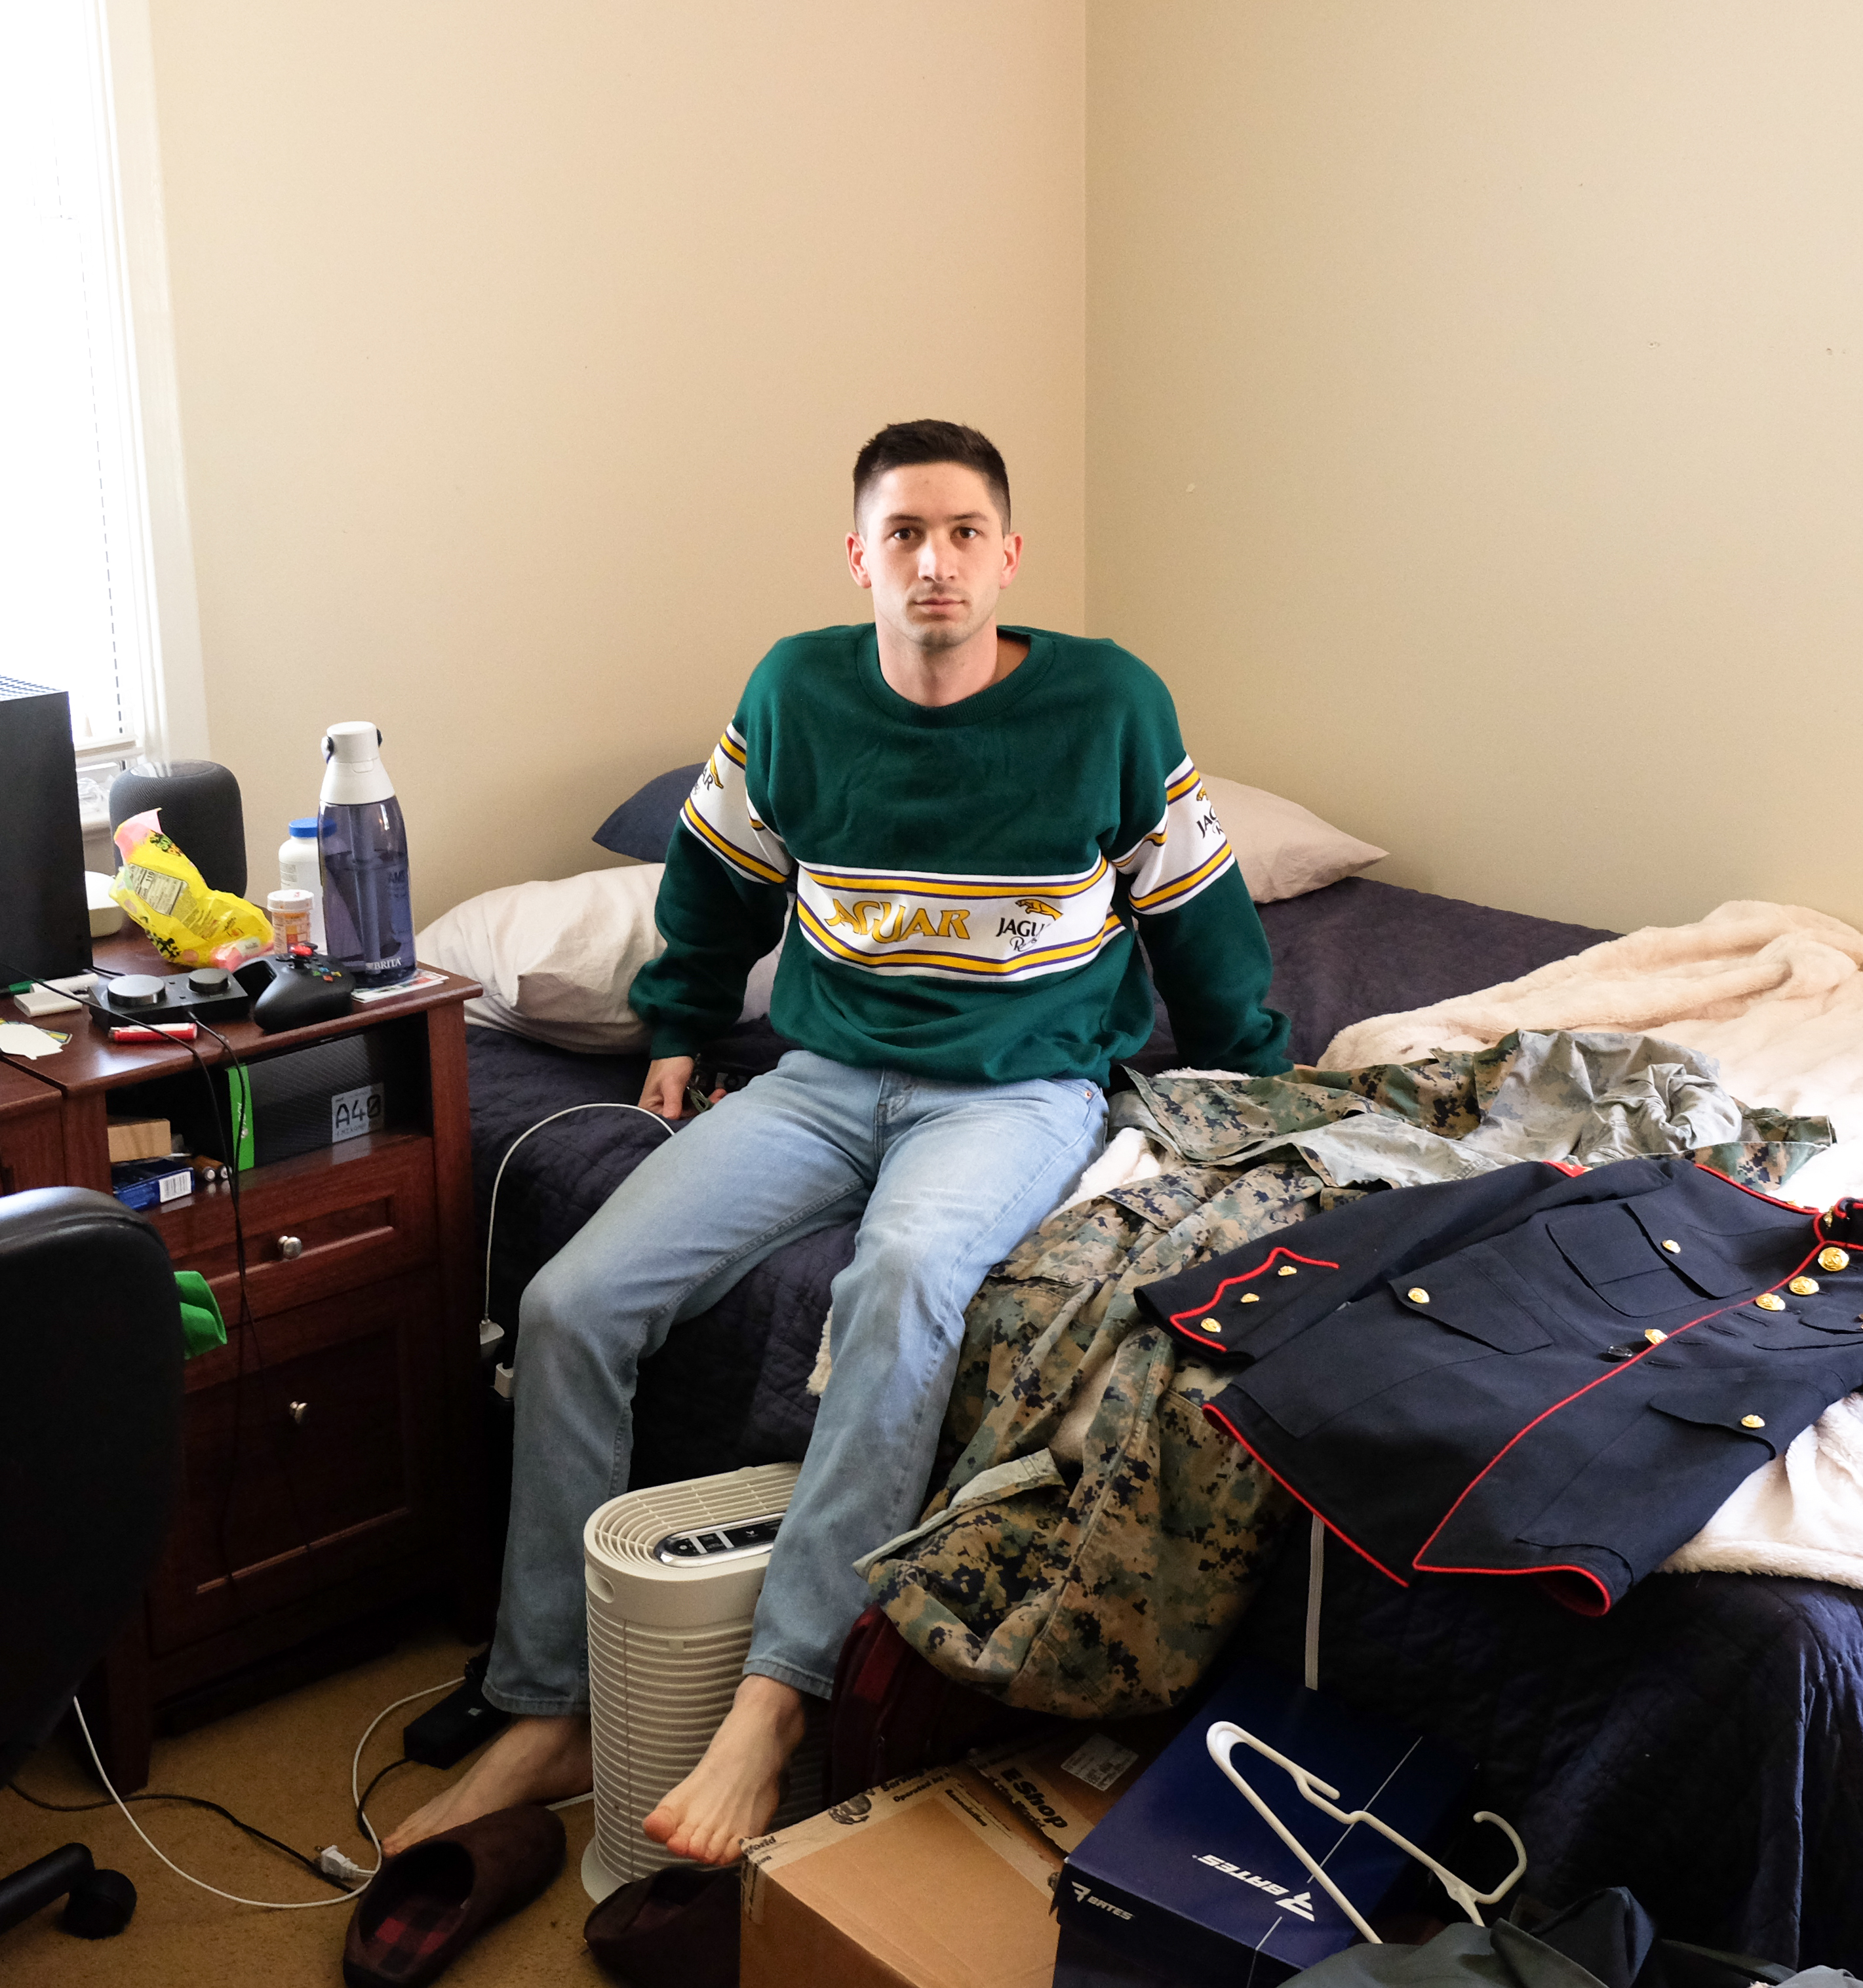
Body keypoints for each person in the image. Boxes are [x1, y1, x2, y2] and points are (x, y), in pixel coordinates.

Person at [385, 421, 1292, 1863]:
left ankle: (777, 1691)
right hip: (820, 1076)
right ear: (859, 555)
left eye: (961, 532)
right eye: (904, 534)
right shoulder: (797, 692)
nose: (934, 562)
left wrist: (1259, 1096)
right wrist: (677, 1029)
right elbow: (719, 881)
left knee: (898, 1286)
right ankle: (550, 1703)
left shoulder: (1109, 704)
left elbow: (1201, 926)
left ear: (1009, 554)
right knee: (570, 1302)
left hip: (1018, 1092)